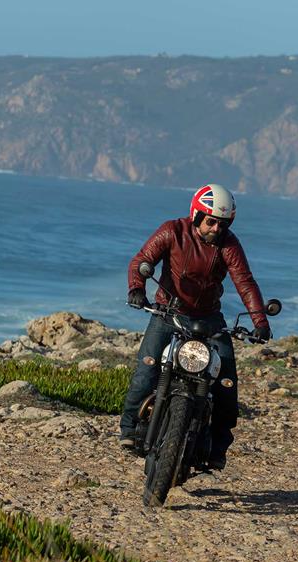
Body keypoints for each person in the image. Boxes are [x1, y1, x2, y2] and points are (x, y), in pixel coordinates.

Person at [119, 183, 271, 470]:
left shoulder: (229, 245)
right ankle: (129, 429)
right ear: (197, 215)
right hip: (168, 312)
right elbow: (142, 260)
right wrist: (136, 289)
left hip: (210, 320)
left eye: (222, 224)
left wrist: (260, 322)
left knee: (226, 383)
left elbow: (245, 282)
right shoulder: (172, 231)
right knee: (146, 369)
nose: (216, 228)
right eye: (211, 221)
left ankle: (217, 447)